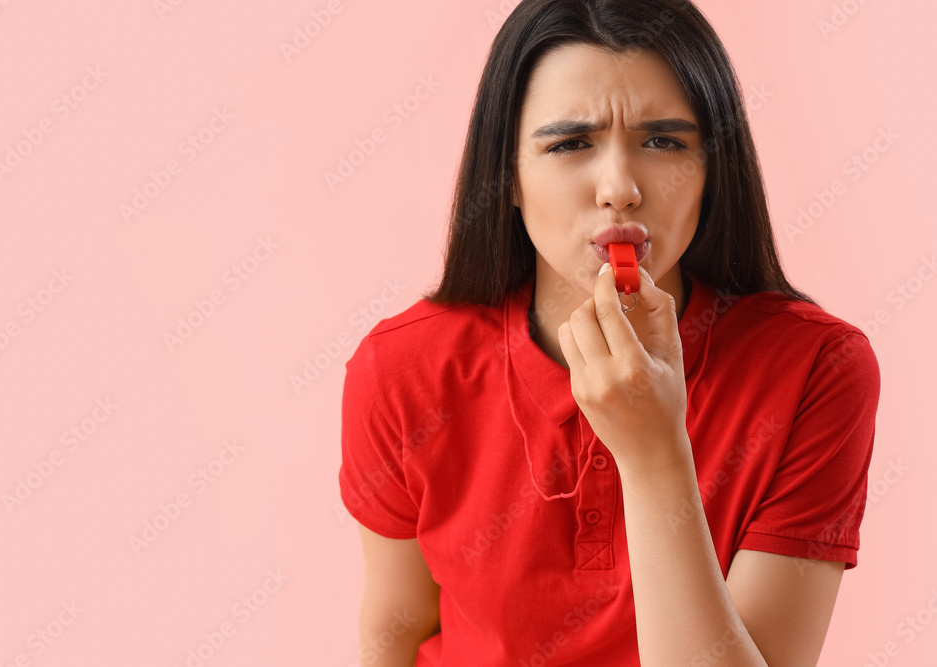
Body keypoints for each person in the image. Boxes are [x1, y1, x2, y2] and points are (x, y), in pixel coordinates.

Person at [338, 0, 881, 665]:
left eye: (664, 141)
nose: (620, 188)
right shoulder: (401, 367)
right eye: (570, 144)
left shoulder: (816, 368)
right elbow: (392, 634)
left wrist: (654, 454)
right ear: (506, 175)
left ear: (712, 170)